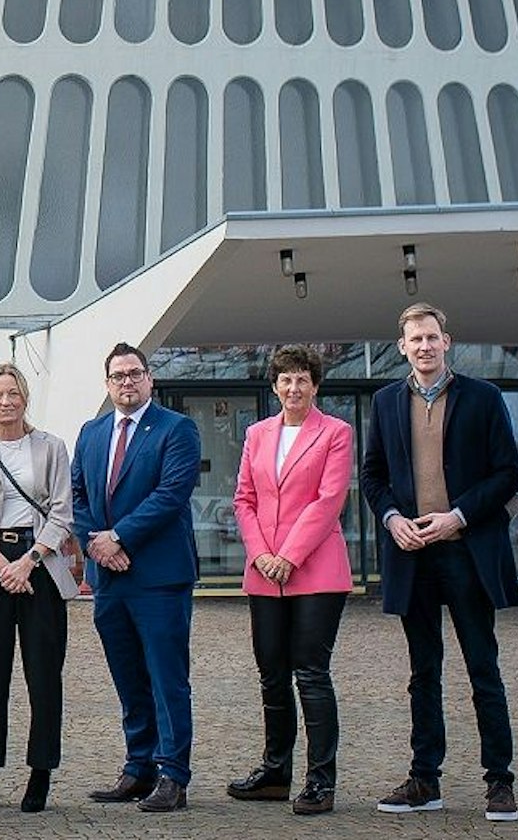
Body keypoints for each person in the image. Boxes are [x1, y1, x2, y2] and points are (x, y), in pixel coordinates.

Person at [359, 302, 518, 821]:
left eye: (432, 338)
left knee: (483, 669)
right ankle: (424, 779)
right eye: (415, 340)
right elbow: (372, 474)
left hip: (467, 553)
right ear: (402, 347)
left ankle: (500, 782)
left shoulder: (484, 398)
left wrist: (459, 516)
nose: (424, 347)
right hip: (413, 556)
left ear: (446, 342)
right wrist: (390, 518)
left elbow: (508, 474)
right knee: (422, 672)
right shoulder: (386, 402)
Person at [70, 342, 202, 813]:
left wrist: (120, 537)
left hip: (158, 576)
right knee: (128, 677)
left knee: (167, 678)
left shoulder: (176, 429)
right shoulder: (91, 432)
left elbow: (172, 493)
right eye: (118, 376)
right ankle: (138, 766)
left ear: (150, 379)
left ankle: (173, 775)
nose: (127, 382)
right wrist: (95, 544)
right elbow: (77, 495)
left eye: (135, 374)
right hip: (109, 579)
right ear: (107, 384)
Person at [227, 345, 354, 815]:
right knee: (271, 674)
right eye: (285, 380)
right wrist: (262, 555)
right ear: (274, 386)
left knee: (311, 673)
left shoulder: (335, 432)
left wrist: (288, 556)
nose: (294, 388)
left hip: (317, 571)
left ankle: (321, 780)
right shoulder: (257, 434)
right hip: (265, 574)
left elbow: (328, 500)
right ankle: (275, 771)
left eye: (302, 379)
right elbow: (244, 499)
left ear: (315, 385)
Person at [0, 362, 74, 813]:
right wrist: (4, 565)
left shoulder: (51, 447)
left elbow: (63, 513)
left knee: (43, 676)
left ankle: (40, 774)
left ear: (25, 397)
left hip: (40, 568)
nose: (6, 402)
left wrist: (29, 561)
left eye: (13, 393)